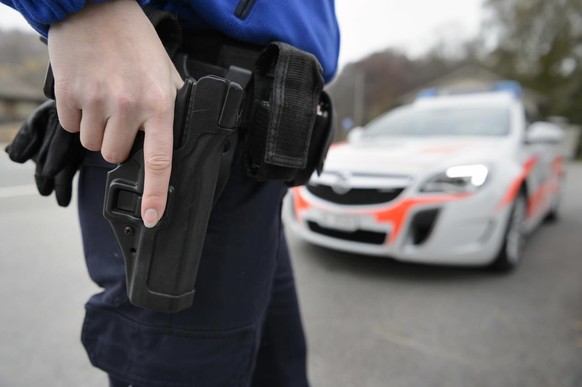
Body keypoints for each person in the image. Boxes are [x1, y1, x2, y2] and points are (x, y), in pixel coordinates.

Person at [1, 0, 339, 386]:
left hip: (260, 145)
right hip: (179, 118)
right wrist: (82, 9)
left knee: (277, 370)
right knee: (182, 362)